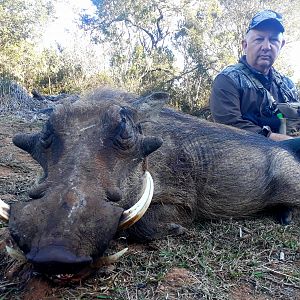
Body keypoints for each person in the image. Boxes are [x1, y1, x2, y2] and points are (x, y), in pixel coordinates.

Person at [209, 9, 300, 142]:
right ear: (245, 45)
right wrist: (282, 140)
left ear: (281, 45)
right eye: (259, 39)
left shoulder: (288, 85)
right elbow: (229, 127)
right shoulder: (227, 80)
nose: (266, 46)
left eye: (273, 40)